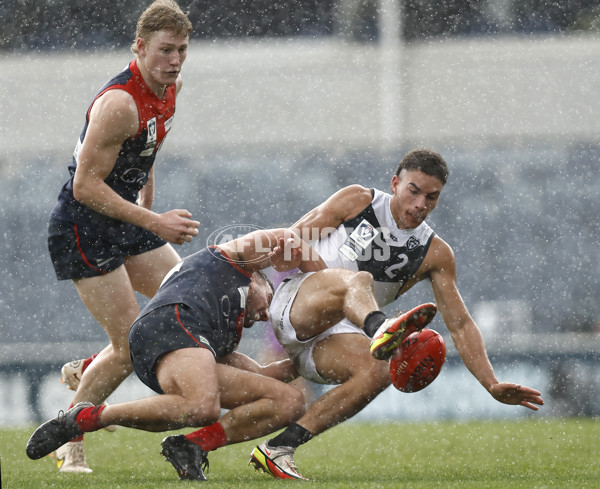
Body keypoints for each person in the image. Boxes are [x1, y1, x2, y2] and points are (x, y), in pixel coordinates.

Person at [247, 148, 545, 480]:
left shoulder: (435, 252)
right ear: (395, 183)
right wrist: (265, 268)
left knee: (381, 369)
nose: (421, 204)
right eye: (413, 191)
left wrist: (491, 383)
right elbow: (293, 237)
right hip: (297, 306)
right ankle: (380, 328)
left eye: (431, 197)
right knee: (356, 281)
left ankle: (277, 448)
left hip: (333, 338)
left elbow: (460, 324)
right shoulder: (357, 201)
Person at [26, 228, 415, 481]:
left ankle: (192, 445)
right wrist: (312, 282)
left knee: (287, 401)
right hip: (168, 323)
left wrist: (333, 361)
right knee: (203, 404)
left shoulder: (225, 334)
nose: (265, 315)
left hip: (182, 348)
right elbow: (289, 239)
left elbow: (266, 375)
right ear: (259, 278)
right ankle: (88, 417)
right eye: (268, 302)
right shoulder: (230, 260)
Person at [45, 0, 196, 472]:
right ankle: (68, 438)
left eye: (182, 51)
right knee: (130, 346)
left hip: (126, 222)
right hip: (83, 227)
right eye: (165, 50)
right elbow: (84, 186)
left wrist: (145, 211)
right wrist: (155, 222)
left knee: (190, 302)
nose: (174, 60)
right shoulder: (119, 103)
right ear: (139, 47)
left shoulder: (169, 88)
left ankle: (90, 368)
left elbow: (143, 157)